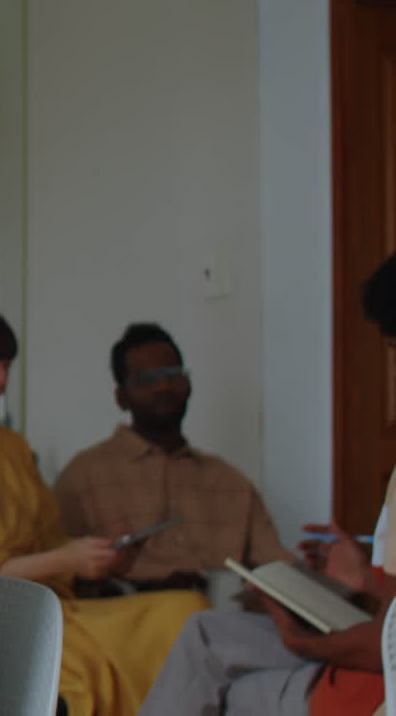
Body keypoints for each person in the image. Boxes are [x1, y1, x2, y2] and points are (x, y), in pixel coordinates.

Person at [0, 302, 207, 716]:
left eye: (7, 366)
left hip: (56, 604)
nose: (2, 379)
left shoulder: (11, 447)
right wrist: (68, 558)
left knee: (187, 611)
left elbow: (51, 538)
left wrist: (99, 555)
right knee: (82, 670)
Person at [138, 253, 396, 716]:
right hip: (364, 639)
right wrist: (360, 579)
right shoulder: (88, 472)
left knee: (233, 689)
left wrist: (307, 644)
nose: (165, 389)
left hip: (367, 677)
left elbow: (390, 643)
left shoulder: (225, 479)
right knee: (204, 633)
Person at [55, 323, 293, 589]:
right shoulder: (83, 476)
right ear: (121, 397)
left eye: (173, 374)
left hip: (220, 619)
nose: (164, 386)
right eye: (147, 379)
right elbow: (59, 576)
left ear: (189, 385)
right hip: (127, 620)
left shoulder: (230, 483)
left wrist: (328, 576)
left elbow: (278, 570)